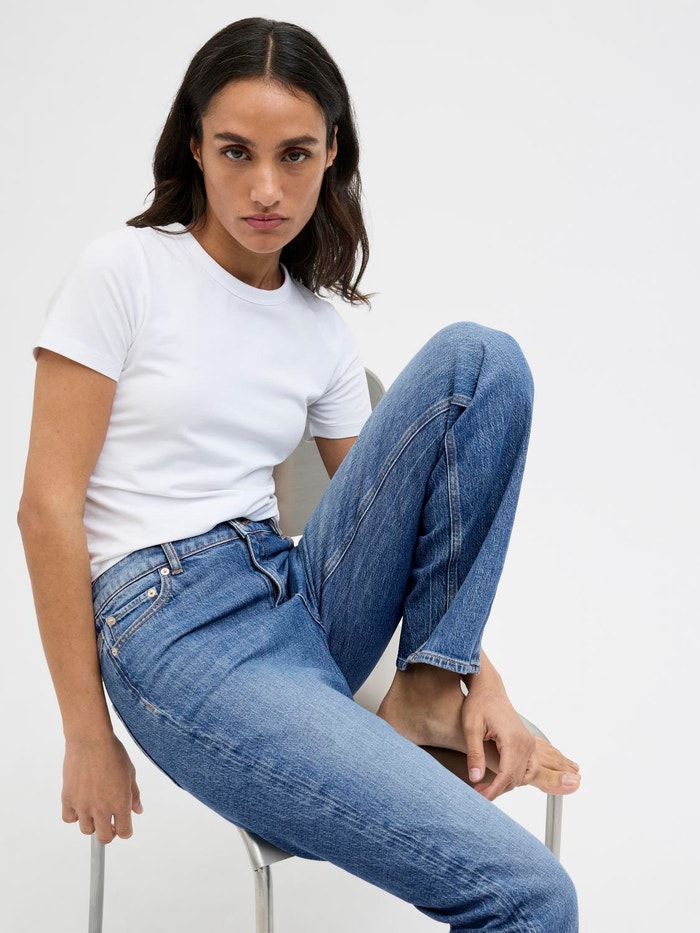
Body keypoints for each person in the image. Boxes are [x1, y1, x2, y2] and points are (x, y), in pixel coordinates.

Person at [18, 17, 581, 931]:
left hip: (297, 591)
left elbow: (417, 526)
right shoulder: (124, 271)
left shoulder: (318, 328)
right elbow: (46, 510)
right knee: (531, 894)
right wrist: (88, 734)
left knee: (481, 360)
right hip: (173, 628)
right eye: (236, 151)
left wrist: (482, 678)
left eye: (295, 154)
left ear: (331, 156)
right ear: (195, 145)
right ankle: (408, 712)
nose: (266, 189)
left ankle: (425, 692)